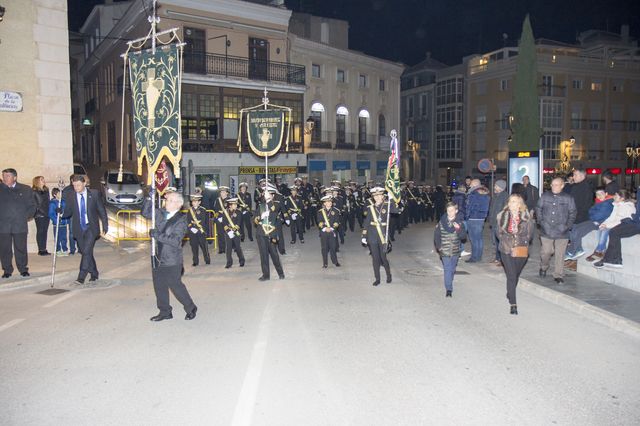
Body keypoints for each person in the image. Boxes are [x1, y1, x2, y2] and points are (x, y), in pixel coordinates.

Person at [142, 191, 197, 321]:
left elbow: (175, 241)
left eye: (171, 200)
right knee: (159, 285)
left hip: (171, 259)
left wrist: (157, 235)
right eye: (167, 200)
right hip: (157, 256)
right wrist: (149, 197)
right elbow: (145, 212)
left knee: (175, 285)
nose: (167, 202)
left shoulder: (181, 221)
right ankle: (165, 311)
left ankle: (190, 307)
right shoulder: (160, 213)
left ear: (178, 204)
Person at [61, 174, 108, 284]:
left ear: (84, 184)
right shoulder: (71, 196)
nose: (76, 188)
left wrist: (105, 224)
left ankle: (81, 276)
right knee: (85, 252)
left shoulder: (94, 194)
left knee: (86, 250)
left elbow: (101, 210)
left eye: (78, 185)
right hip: (78, 228)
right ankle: (94, 273)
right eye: (74, 185)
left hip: (90, 227)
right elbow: (68, 212)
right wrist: (61, 213)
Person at [497, 194, 534, 315]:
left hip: (521, 249)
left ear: (520, 204)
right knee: (511, 275)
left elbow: (529, 235)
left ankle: (510, 291)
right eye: (511, 201)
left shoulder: (527, 217)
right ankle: (513, 303)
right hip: (506, 249)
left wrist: (519, 240)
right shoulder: (501, 216)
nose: (512, 204)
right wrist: (507, 240)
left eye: (515, 202)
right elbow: (499, 233)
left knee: (516, 275)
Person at [535, 177, 577, 284]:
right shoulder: (545, 196)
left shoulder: (568, 198)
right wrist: (541, 222)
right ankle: (544, 266)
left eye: (556, 185)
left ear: (562, 186)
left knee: (560, 254)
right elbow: (538, 208)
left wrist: (567, 226)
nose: (554, 187)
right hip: (546, 229)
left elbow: (573, 213)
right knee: (546, 252)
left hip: (562, 231)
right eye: (552, 184)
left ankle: (558, 274)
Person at [0, 168, 36, 278]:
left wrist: (25, 217)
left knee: (21, 248)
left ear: (14, 177)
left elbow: (32, 206)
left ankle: (23, 269)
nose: (5, 178)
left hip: (19, 225)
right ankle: (7, 270)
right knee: (5, 249)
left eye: (7, 176)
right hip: (3, 225)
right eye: (3, 176)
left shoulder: (25, 189)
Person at [594, 187, 640, 269]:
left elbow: (620, 220)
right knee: (608, 231)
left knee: (613, 232)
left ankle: (608, 257)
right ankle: (607, 259)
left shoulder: (627, 206)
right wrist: (604, 224)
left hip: (631, 225)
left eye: (616, 195)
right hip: (624, 224)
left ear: (622, 198)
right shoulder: (616, 205)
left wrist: (607, 225)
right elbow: (612, 218)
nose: (614, 197)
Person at [362, 187, 397, 286]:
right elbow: (367, 222)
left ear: (383, 196)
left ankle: (388, 275)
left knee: (383, 257)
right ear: (373, 197)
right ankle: (377, 278)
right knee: (375, 259)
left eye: (379, 195)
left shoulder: (387, 205)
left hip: (383, 235)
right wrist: (364, 236)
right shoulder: (371, 208)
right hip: (372, 235)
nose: (377, 197)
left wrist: (391, 199)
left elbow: (396, 211)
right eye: (375, 196)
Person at [567, 187, 614, 261]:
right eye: (597, 194)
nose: (599, 196)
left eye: (601, 193)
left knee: (578, 231)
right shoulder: (598, 202)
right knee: (573, 227)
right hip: (593, 221)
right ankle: (578, 249)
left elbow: (598, 215)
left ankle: (571, 251)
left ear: (606, 194)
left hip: (599, 223)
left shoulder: (607, 203)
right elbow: (590, 212)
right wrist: (592, 215)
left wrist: (592, 216)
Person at [434, 202, 467, 297]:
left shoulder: (460, 223)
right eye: (448, 211)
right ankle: (449, 289)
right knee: (447, 269)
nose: (450, 213)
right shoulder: (441, 222)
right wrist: (439, 247)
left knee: (452, 269)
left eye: (452, 210)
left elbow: (463, 237)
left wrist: (459, 229)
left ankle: (449, 280)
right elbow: (436, 235)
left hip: (455, 250)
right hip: (444, 250)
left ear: (456, 211)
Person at [254, 184, 285, 281]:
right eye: (265, 194)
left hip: (272, 234)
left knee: (274, 254)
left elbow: (274, 210)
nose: (265, 195)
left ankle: (280, 273)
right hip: (261, 234)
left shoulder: (276, 204)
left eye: (268, 194)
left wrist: (268, 201)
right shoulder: (261, 206)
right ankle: (266, 275)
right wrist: (258, 219)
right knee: (263, 255)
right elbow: (254, 218)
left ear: (272, 195)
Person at [464, 179, 490, 263]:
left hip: (472, 218)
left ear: (475, 185)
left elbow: (469, 207)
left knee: (473, 239)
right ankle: (479, 256)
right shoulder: (485, 194)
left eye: (471, 184)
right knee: (479, 239)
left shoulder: (473, 194)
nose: (469, 186)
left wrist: (466, 217)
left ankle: (474, 257)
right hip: (481, 218)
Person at [220, 197, 245, 269]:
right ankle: (229, 262)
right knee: (229, 248)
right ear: (230, 205)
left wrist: (233, 231)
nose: (236, 206)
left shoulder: (238, 212)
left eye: (236, 204)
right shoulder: (225, 212)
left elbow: (238, 223)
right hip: (228, 233)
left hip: (236, 232)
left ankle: (241, 260)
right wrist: (228, 231)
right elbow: (224, 223)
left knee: (237, 247)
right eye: (234, 204)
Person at [488, 179, 509, 266]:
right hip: (494, 222)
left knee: (501, 242)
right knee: (495, 241)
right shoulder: (496, 196)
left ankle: (502, 260)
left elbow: (506, 210)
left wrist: (503, 222)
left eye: (496, 186)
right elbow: (492, 208)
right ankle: (497, 258)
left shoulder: (505, 196)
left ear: (500, 187)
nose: (494, 187)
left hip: (500, 223)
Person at [317, 194, 341, 268]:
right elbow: (319, 222)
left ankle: (335, 261)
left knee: (333, 247)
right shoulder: (320, 211)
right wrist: (324, 228)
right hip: (324, 232)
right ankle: (325, 263)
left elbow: (337, 221)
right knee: (324, 248)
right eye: (328, 201)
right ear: (324, 203)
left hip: (332, 231)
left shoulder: (336, 211)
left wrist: (332, 228)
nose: (330, 203)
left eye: (331, 201)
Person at [187, 193, 210, 267]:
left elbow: (203, 221)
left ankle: (207, 259)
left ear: (199, 202)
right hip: (192, 232)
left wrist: (197, 228)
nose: (194, 203)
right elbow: (188, 221)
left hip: (201, 231)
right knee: (194, 247)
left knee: (204, 247)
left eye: (196, 201)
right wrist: (191, 228)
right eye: (193, 201)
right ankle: (195, 261)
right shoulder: (189, 210)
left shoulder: (203, 210)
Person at [32, 176, 51, 256]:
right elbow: (36, 204)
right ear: (37, 181)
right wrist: (42, 212)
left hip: (47, 213)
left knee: (45, 231)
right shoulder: (34, 191)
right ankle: (41, 249)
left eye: (43, 179)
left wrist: (48, 212)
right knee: (40, 231)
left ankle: (44, 248)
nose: (44, 181)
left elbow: (48, 202)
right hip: (39, 214)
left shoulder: (46, 190)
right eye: (42, 180)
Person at [48, 188, 70, 256]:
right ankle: (58, 250)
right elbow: (51, 213)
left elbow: (66, 210)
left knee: (64, 237)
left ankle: (65, 249)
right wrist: (56, 219)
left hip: (64, 223)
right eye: (59, 193)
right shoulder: (52, 203)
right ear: (55, 194)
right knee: (57, 237)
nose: (61, 195)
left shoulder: (63, 202)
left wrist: (65, 216)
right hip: (57, 224)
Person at [213, 186, 230, 254]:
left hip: (227, 219)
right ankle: (221, 249)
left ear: (227, 193)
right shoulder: (217, 200)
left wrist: (224, 217)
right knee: (220, 234)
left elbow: (230, 210)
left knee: (228, 234)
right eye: (221, 192)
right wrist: (218, 217)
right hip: (219, 219)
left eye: (224, 192)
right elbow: (215, 209)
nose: (222, 193)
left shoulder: (229, 200)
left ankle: (229, 247)